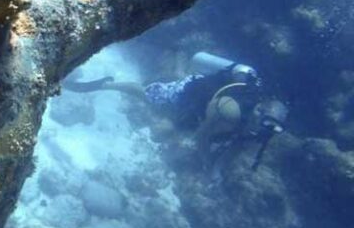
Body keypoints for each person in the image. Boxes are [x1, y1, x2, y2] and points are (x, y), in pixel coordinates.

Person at [64, 52, 288, 169]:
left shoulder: (259, 129)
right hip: (189, 95)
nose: (261, 129)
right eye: (262, 121)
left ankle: (177, 69)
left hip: (199, 104)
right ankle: (106, 84)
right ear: (259, 111)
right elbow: (204, 131)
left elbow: (232, 144)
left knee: (164, 119)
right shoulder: (234, 112)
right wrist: (204, 157)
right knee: (147, 96)